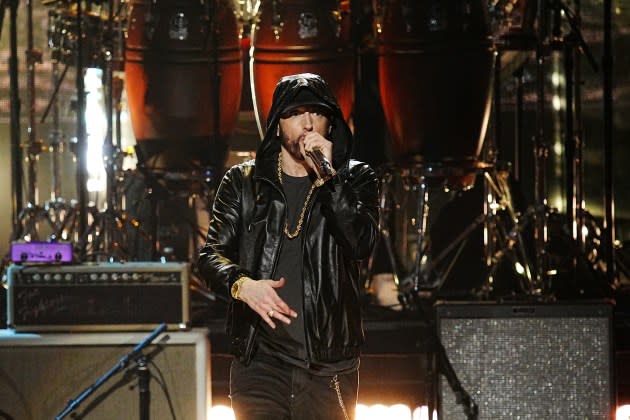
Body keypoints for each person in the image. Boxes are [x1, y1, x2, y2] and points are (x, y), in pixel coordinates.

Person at [197, 73, 379, 419]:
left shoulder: (356, 179)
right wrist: (242, 285)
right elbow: (210, 257)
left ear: (331, 123)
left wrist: (329, 179)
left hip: (327, 367)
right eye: (296, 113)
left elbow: (361, 244)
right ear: (277, 124)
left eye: (317, 113)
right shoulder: (243, 182)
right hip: (261, 363)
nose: (308, 124)